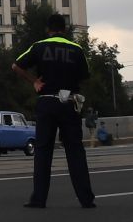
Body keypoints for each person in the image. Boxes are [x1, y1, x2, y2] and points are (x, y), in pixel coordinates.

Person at [12, 14, 97, 210]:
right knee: (75, 151)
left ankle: (39, 199)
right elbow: (85, 75)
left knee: (43, 151)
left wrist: (34, 81)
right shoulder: (77, 49)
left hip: (46, 102)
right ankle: (86, 199)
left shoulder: (39, 46)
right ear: (64, 29)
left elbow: (16, 65)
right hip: (69, 103)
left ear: (48, 29)